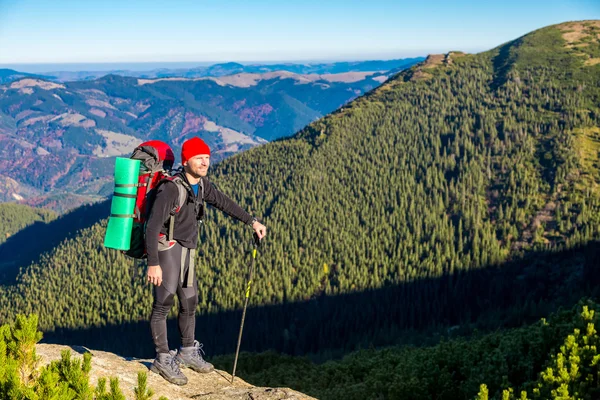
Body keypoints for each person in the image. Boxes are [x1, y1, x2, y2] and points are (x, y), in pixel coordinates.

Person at [145, 136, 266, 385]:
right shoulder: (171, 188)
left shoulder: (202, 186)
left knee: (190, 301)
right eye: (199, 158)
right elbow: (152, 226)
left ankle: (187, 352)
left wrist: (251, 221)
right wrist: (152, 263)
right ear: (186, 160)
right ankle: (162, 359)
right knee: (163, 303)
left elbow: (223, 202)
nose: (205, 162)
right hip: (167, 248)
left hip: (187, 249)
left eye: (208, 158)